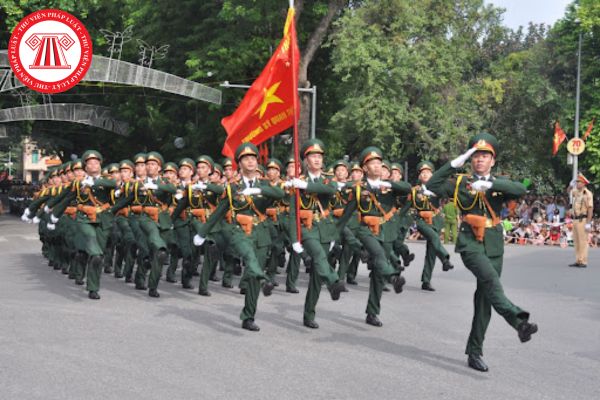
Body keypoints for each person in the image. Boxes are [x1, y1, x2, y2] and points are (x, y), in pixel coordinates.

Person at [427, 132, 538, 372]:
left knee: (485, 297)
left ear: (492, 161)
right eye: (475, 155)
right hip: (470, 243)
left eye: (485, 156)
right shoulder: (459, 183)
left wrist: (490, 184)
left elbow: (521, 189)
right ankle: (518, 321)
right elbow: (431, 185)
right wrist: (456, 162)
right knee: (490, 280)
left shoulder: (499, 184)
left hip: (494, 243)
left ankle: (474, 351)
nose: (479, 160)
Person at [568, 173, 594, 268]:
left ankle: (583, 261)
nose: (577, 183)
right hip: (575, 219)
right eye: (577, 182)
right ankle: (578, 260)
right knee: (577, 241)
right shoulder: (576, 192)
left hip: (583, 220)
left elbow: (590, 209)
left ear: (583, 183)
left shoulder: (587, 194)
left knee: (583, 241)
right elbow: (568, 191)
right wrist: (570, 185)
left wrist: (588, 223)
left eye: (579, 182)